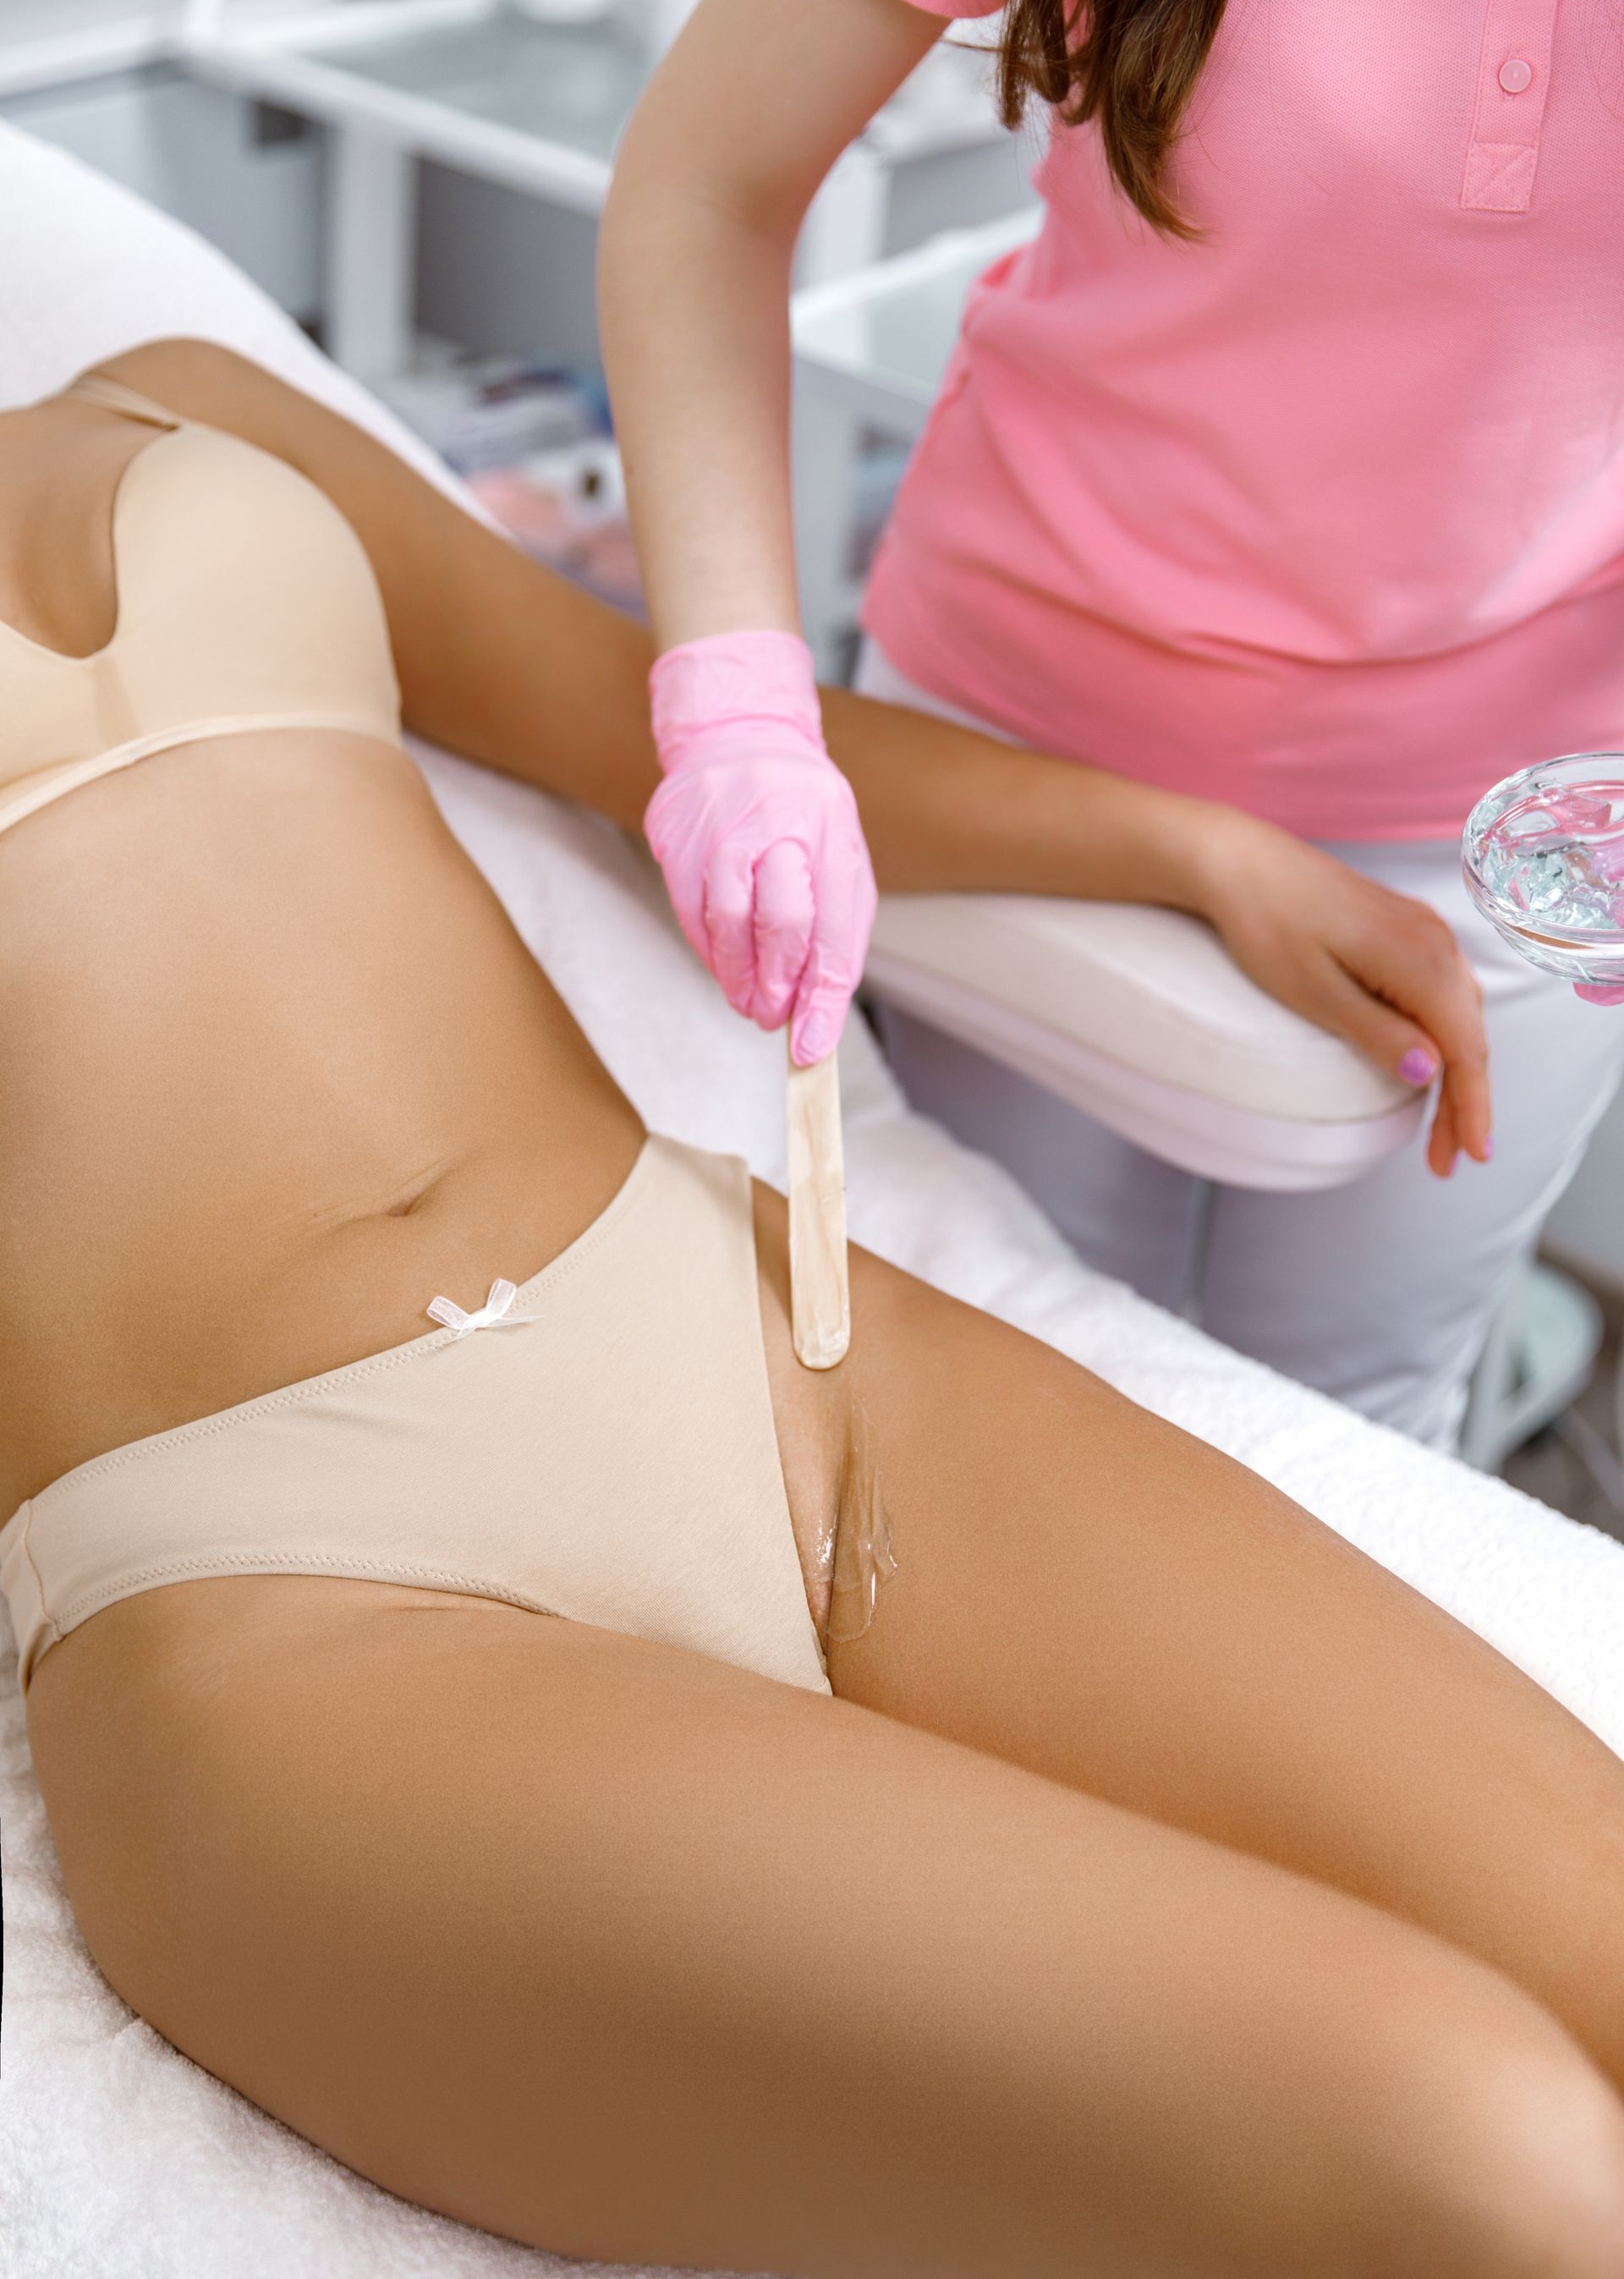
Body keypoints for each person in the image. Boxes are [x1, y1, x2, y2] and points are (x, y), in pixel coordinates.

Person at [6, 333, 1624, 2276]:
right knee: (1479, 2143)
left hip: (762, 1345)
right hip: (287, 1606)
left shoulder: (181, 400)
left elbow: (655, 728)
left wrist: (1190, 850)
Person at [597, 0, 1624, 1449]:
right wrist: (736, 719)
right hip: (1030, 737)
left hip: (1534, 822)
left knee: (1357, 1443)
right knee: (1014, 1399)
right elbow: (701, 188)